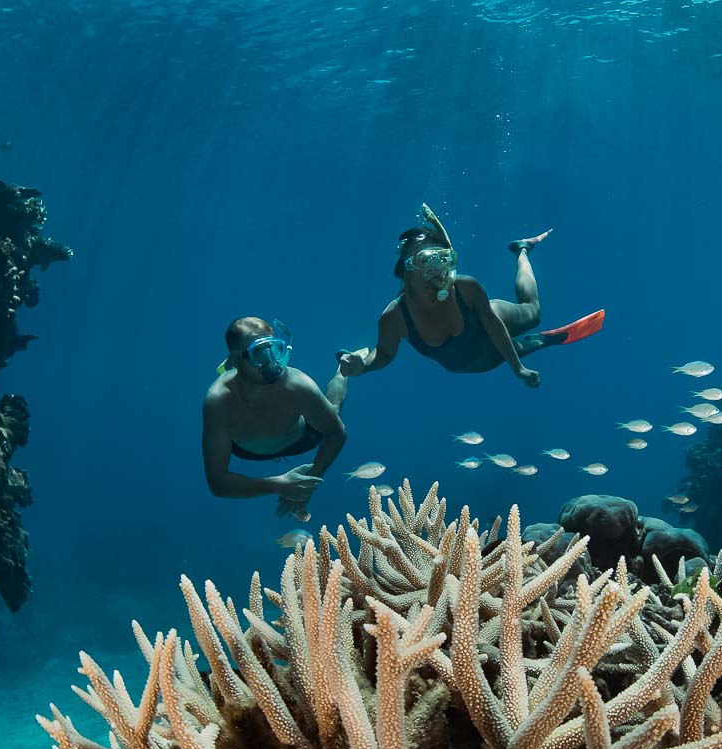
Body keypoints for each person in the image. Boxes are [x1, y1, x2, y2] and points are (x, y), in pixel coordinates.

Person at [338, 204, 604, 386]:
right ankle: (536, 343)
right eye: (428, 263)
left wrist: (517, 368)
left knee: (532, 313)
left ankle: (521, 250)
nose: (438, 272)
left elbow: (493, 326)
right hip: (480, 360)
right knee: (506, 351)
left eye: (444, 261)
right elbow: (383, 353)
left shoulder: (467, 288)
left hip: (488, 323)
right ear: (408, 270)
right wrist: (363, 366)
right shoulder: (395, 317)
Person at [202, 317, 346, 522]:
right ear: (234, 360)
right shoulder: (219, 401)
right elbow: (217, 482)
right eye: (259, 353)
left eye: (274, 350)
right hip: (247, 450)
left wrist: (307, 483)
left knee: (333, 409)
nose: (271, 363)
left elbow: (337, 432)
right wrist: (278, 484)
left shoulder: (297, 384)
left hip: (300, 437)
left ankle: (343, 369)